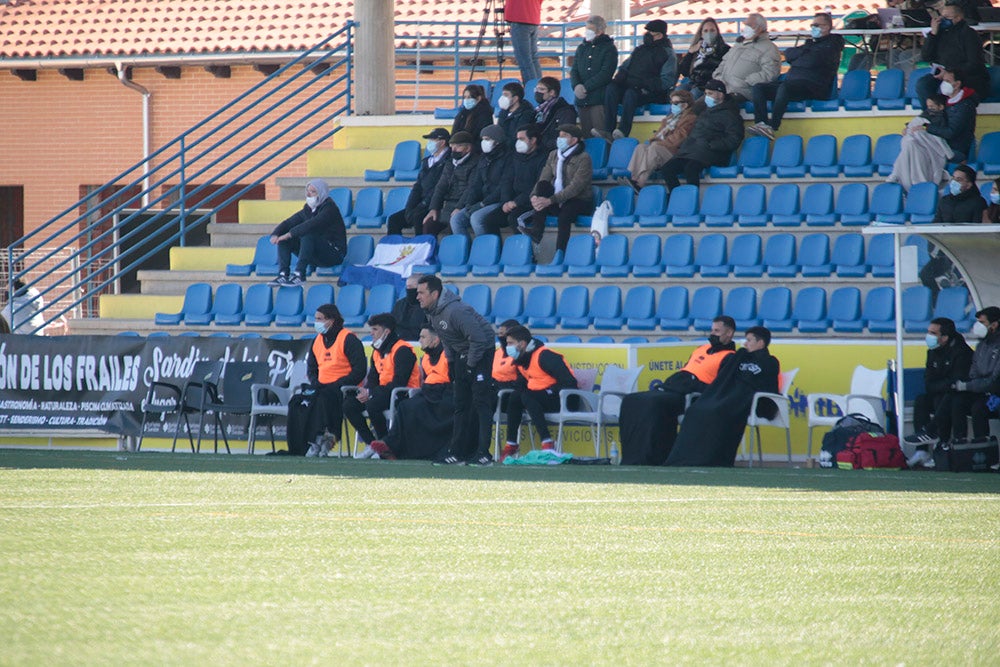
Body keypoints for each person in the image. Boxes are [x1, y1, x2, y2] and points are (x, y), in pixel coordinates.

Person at [619, 316, 737, 465]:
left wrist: (692, 384)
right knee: (631, 400)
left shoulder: (730, 357)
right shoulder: (701, 349)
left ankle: (653, 456)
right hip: (674, 386)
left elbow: (718, 387)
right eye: (712, 330)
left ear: (729, 333)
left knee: (653, 404)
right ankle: (631, 457)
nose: (713, 334)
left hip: (689, 394)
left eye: (717, 331)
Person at [666, 326, 780, 467]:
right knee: (696, 410)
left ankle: (711, 458)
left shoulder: (770, 361)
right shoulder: (741, 357)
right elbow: (726, 378)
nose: (745, 344)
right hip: (729, 394)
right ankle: (685, 457)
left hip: (747, 399)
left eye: (749, 340)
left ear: (761, 343)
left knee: (717, 412)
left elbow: (763, 383)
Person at [415, 274, 496, 465]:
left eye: (421, 292)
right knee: (460, 404)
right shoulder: (433, 312)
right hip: (462, 352)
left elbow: (479, 339)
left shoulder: (455, 311)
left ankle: (484, 453)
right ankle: (457, 453)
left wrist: (470, 365)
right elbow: (447, 338)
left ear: (434, 294)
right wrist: (451, 362)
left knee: (481, 403)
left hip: (481, 352)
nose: (417, 296)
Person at [747, 12, 844, 140]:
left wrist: (800, 56)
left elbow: (811, 61)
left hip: (813, 86)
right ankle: (762, 123)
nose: (812, 28)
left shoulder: (832, 45)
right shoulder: (810, 44)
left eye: (816, 25)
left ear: (826, 27)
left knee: (785, 87)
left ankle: (773, 126)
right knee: (758, 88)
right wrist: (804, 53)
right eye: (812, 25)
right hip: (794, 84)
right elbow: (789, 54)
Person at [370, 326, 455, 461]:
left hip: (447, 392)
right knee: (405, 406)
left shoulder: (449, 355)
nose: (419, 340)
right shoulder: (426, 357)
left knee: (428, 408)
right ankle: (391, 447)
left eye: (423, 337)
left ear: (436, 340)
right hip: (429, 391)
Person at [292, 303, 367, 457]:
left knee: (323, 397)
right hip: (321, 387)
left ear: (331, 320)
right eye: (316, 319)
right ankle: (302, 442)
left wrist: (337, 384)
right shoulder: (317, 341)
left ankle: (321, 438)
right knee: (297, 401)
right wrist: (315, 382)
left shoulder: (348, 339)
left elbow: (359, 370)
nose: (316, 322)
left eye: (320, 319)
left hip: (345, 389)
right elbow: (312, 368)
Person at [345, 313, 420, 459]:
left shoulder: (402, 350)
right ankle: (371, 443)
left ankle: (386, 445)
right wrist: (367, 391)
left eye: (375, 329)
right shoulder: (376, 351)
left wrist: (372, 392)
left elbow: (400, 381)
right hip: (382, 392)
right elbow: (372, 378)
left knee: (373, 404)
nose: (371, 333)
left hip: (402, 393)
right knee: (349, 405)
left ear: (386, 331)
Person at [499, 325, 578, 462]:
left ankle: (547, 442)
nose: (507, 346)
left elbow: (570, 382)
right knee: (515, 396)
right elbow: (521, 385)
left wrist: (549, 390)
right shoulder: (521, 360)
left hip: (564, 398)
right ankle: (511, 443)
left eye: (510, 343)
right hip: (540, 398)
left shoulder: (545, 356)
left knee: (528, 396)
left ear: (522, 344)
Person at [902, 317, 974, 467]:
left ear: (945, 337)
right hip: (942, 393)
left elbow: (958, 381)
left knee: (948, 398)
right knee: (922, 399)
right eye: (928, 332)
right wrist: (944, 385)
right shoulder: (932, 352)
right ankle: (922, 450)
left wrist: (943, 385)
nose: (928, 336)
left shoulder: (962, 352)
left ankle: (941, 443)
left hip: (963, 397)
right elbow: (929, 383)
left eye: (933, 333)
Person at [595, 19, 677, 140]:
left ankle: (623, 130)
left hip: (651, 92)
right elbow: (626, 65)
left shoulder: (668, 54)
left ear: (660, 35)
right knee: (611, 88)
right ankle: (608, 130)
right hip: (633, 86)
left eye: (651, 33)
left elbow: (667, 81)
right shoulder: (640, 50)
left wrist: (644, 83)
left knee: (630, 93)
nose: (647, 36)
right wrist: (620, 76)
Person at [658, 79, 743, 190]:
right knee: (667, 169)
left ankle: (691, 200)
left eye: (710, 93)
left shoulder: (731, 115)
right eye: (706, 93)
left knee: (690, 169)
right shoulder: (704, 112)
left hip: (712, 152)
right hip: (691, 151)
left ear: (721, 94)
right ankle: (677, 196)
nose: (706, 96)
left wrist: (712, 145)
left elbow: (734, 139)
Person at [525, 124, 594, 253]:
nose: (559, 139)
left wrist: (550, 200)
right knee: (543, 186)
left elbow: (576, 187)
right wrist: (534, 196)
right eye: (559, 136)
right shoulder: (553, 155)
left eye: (564, 136)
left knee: (565, 215)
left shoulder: (584, 158)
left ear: (574, 140)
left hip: (579, 200)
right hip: (556, 200)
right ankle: (536, 231)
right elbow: (544, 178)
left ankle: (560, 252)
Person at [938, 307, 1000, 446]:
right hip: (982, 392)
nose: (977, 326)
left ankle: (982, 448)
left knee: (978, 408)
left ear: (994, 324)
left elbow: (994, 380)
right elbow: (973, 373)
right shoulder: (981, 346)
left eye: (982, 322)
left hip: (995, 393)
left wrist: (968, 385)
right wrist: (975, 384)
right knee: (956, 399)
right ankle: (959, 443)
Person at [267, 178, 347, 286]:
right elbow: (289, 222)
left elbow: (312, 224)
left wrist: (289, 234)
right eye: (308, 191)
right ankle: (283, 274)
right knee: (284, 240)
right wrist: (276, 234)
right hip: (316, 254)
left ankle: (300, 274)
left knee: (308, 234)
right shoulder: (308, 209)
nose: (309, 194)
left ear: (321, 193)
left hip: (334, 254)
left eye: (313, 192)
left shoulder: (330, 209)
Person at [621, 89, 697, 191]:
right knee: (641, 147)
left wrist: (659, 143)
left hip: (676, 153)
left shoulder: (690, 119)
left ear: (685, 105)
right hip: (662, 149)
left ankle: (640, 183)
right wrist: (656, 141)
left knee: (655, 148)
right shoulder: (668, 119)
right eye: (671, 103)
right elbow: (656, 136)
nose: (672, 105)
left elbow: (679, 138)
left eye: (675, 103)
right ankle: (634, 179)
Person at [916, 2, 989, 107]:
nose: (942, 20)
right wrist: (933, 34)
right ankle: (930, 115)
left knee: (948, 87)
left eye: (947, 17)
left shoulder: (969, 34)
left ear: (958, 18)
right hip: (942, 73)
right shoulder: (940, 33)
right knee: (923, 84)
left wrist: (950, 72)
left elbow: (974, 63)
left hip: (967, 76)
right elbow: (926, 56)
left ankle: (948, 116)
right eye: (942, 16)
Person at [484, 123, 548, 235]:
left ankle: (525, 250)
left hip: (531, 203)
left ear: (533, 140)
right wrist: (506, 201)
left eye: (522, 139)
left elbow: (538, 185)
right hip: (512, 202)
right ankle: (498, 250)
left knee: (515, 219)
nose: (518, 142)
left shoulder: (544, 158)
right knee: (489, 220)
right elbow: (506, 180)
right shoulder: (515, 157)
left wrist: (516, 202)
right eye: (518, 139)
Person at [450, 125, 512, 238]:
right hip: (483, 200)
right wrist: (469, 203)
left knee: (477, 218)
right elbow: (475, 184)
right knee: (456, 219)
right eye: (482, 139)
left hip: (498, 201)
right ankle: (466, 251)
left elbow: (503, 187)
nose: (484, 142)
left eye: (487, 139)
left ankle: (487, 251)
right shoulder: (484, 158)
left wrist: (483, 204)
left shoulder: (508, 158)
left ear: (497, 141)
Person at [387, 128, 451, 236]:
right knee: (394, 220)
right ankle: (394, 249)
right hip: (420, 203)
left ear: (443, 142)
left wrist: (423, 205)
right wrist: (410, 207)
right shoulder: (427, 161)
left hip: (436, 205)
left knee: (419, 218)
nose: (429, 143)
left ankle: (420, 250)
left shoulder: (448, 161)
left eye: (432, 140)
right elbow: (418, 186)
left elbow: (439, 187)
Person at [886, 93, 954, 191]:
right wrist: (908, 129)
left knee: (916, 138)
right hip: (916, 145)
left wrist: (924, 129)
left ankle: (896, 173)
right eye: (928, 106)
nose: (929, 108)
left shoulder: (943, 119)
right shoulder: (924, 116)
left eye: (932, 106)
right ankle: (897, 175)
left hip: (931, 148)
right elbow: (914, 125)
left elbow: (938, 136)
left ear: (941, 107)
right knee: (909, 143)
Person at [711, 13, 781, 105]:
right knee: (696, 107)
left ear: (759, 28)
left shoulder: (769, 48)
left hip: (743, 92)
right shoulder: (739, 45)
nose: (745, 28)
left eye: (749, 25)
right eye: (745, 25)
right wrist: (718, 78)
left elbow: (770, 73)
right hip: (723, 89)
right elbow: (724, 63)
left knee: (720, 106)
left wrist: (746, 81)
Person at [570, 15, 618, 137]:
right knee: (586, 136)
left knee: (600, 134)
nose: (587, 32)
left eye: (590, 29)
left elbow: (606, 73)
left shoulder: (609, 48)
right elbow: (574, 69)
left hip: (599, 98)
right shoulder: (581, 48)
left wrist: (586, 87)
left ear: (600, 31)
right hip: (582, 100)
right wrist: (576, 86)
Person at [423, 131, 479, 236]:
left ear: (468, 148)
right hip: (448, 205)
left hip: (465, 205)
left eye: (458, 147)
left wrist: (459, 207)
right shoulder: (450, 163)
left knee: (453, 223)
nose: (453, 150)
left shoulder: (476, 163)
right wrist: (433, 208)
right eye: (452, 146)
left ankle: (460, 250)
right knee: (428, 223)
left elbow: (471, 188)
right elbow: (441, 186)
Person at [926, 68, 978, 163]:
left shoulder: (965, 105)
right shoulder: (942, 100)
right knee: (911, 143)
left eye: (947, 81)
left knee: (920, 152)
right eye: (943, 81)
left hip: (955, 150)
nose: (943, 84)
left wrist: (927, 128)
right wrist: (910, 127)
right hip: (940, 145)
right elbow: (926, 115)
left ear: (957, 84)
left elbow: (951, 132)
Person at [677, 18, 730, 100]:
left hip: (711, 84)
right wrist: (690, 53)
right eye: (705, 31)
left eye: (712, 30)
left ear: (717, 32)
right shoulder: (696, 49)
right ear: (701, 33)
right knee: (678, 92)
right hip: (693, 82)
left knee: (694, 94)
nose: (709, 33)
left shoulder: (725, 50)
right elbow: (684, 71)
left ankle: (690, 112)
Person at [533, 76, 578, 153]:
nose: (538, 92)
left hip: (552, 152)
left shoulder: (565, 112)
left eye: (542, 89)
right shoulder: (539, 110)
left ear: (552, 92)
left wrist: (541, 144)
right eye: (536, 89)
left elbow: (565, 138)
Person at [506, 0, 543, 82]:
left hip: (520, 19)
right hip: (533, 18)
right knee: (533, 58)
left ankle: (532, 88)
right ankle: (540, 87)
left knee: (525, 60)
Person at [496, 82, 535, 149]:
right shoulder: (503, 112)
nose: (502, 98)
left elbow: (516, 137)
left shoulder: (526, 114)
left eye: (506, 95)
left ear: (515, 98)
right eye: (502, 95)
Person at [391, 274, 428, 342]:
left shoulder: (429, 305)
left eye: (411, 287)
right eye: (407, 287)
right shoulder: (400, 304)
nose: (408, 290)